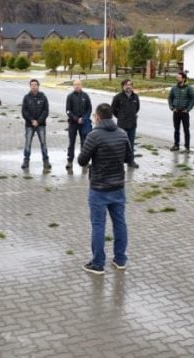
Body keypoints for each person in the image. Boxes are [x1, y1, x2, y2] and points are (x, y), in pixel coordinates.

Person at [77, 103, 132, 275]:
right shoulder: (122, 134)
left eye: (94, 116)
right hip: (117, 186)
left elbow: (81, 160)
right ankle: (120, 259)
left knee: (98, 225)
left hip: (99, 188)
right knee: (120, 223)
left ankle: (98, 263)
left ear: (98, 117)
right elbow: (129, 157)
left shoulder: (94, 136)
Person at [21, 79, 51, 171]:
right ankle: (26, 161)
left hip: (41, 124)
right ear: (30, 86)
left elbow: (46, 111)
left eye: (35, 85)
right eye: (32, 85)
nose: (34, 86)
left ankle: (46, 161)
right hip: (29, 125)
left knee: (43, 143)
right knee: (28, 143)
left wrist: (38, 121)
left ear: (38, 86)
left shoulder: (43, 97)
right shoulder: (26, 97)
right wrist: (31, 120)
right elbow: (24, 112)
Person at [111, 78, 140, 168]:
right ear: (123, 86)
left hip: (132, 124)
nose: (128, 87)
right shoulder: (118, 97)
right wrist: (120, 117)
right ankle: (119, 161)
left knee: (131, 143)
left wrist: (132, 115)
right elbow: (113, 109)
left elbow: (137, 108)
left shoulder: (135, 97)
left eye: (130, 85)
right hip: (122, 125)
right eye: (126, 85)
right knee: (121, 143)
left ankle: (130, 161)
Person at [65, 79, 92, 170]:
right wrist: (76, 119)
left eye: (79, 84)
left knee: (84, 142)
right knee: (71, 143)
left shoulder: (85, 96)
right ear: (73, 86)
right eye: (75, 84)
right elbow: (68, 111)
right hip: (73, 123)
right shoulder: (70, 96)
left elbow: (89, 109)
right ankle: (70, 161)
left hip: (83, 123)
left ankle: (84, 161)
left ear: (81, 85)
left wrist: (83, 118)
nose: (77, 86)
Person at [167, 72, 194, 152]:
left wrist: (188, 109)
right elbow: (170, 98)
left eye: (179, 77)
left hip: (184, 112)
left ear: (183, 78)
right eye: (177, 77)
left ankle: (187, 147)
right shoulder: (174, 88)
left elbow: (193, 99)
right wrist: (171, 107)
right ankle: (176, 145)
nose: (177, 78)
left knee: (186, 130)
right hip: (176, 111)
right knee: (176, 129)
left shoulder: (189, 88)